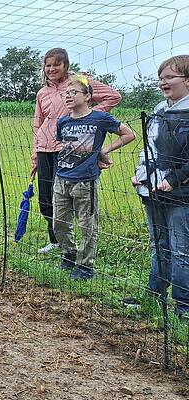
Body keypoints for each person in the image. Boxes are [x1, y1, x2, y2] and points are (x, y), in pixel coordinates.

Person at [31, 48, 122, 254]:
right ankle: (56, 240)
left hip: (70, 149)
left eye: (57, 64)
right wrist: (35, 152)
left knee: (67, 198)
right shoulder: (42, 93)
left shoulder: (77, 84)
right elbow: (38, 124)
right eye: (48, 65)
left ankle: (76, 244)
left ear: (66, 65)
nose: (52, 69)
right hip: (45, 148)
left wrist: (89, 115)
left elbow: (113, 96)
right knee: (46, 199)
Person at [52, 75, 134, 281]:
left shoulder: (100, 118)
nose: (68, 96)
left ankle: (85, 266)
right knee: (59, 224)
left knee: (87, 225)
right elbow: (64, 146)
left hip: (85, 181)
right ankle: (69, 254)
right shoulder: (63, 121)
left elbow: (128, 134)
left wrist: (104, 150)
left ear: (88, 96)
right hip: (61, 178)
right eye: (66, 93)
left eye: (73, 93)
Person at [130, 55, 189, 318]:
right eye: (161, 78)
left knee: (181, 249)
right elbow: (149, 149)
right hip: (154, 190)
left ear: (187, 80)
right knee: (159, 244)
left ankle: (183, 307)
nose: (163, 83)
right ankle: (154, 297)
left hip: (181, 194)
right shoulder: (159, 110)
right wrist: (142, 174)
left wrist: (173, 180)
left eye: (169, 78)